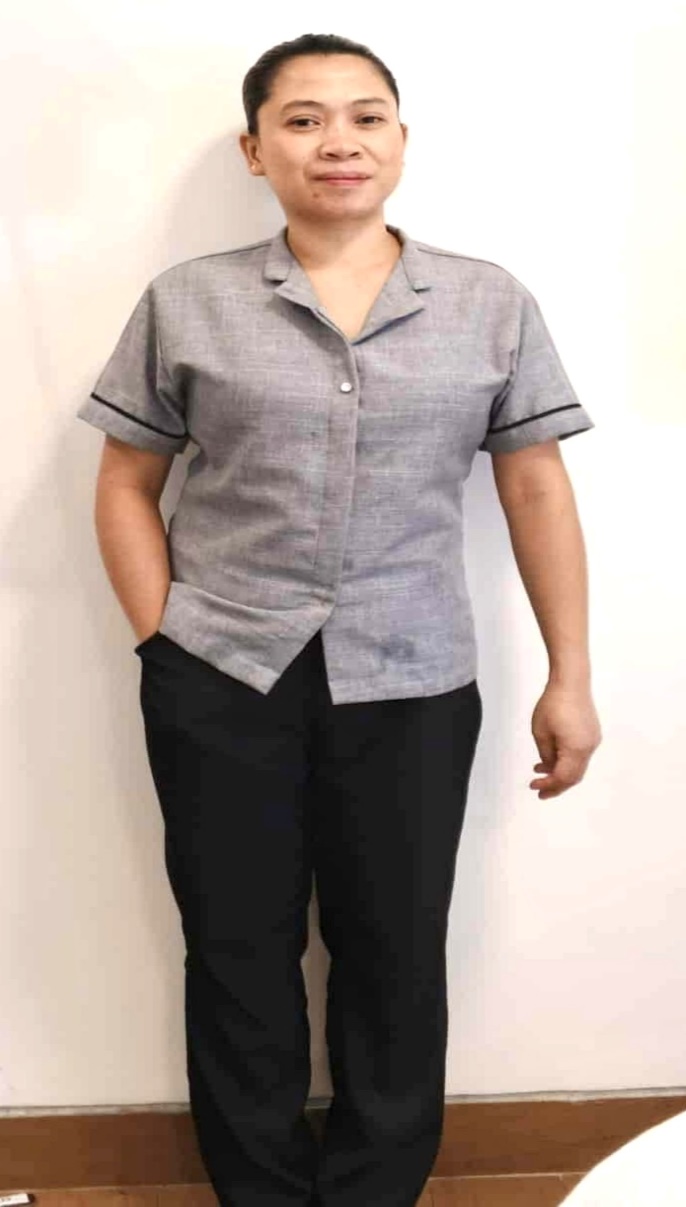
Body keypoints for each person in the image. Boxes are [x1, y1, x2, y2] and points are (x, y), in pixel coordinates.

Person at [78, 32, 602, 1207]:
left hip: (413, 678)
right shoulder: (188, 301)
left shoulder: (486, 302)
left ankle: (373, 1190)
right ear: (254, 150)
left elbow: (532, 486)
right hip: (223, 672)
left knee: (395, 949)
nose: (337, 142)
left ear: (400, 141)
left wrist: (567, 674)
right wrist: (164, 636)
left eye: (365, 117)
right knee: (236, 948)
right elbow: (124, 481)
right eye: (303, 119)